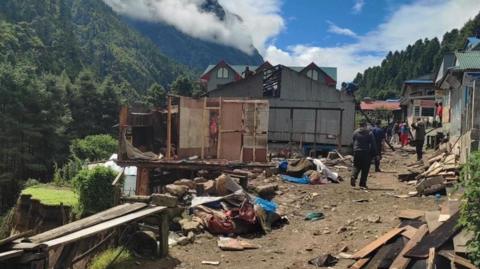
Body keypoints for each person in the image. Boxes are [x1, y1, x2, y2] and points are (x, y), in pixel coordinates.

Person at [351, 120, 377, 189]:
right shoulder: (369, 133)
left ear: (359, 125)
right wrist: (374, 154)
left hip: (356, 151)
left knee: (356, 166)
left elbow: (353, 141)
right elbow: (373, 144)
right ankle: (362, 184)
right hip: (365, 152)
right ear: (365, 126)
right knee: (365, 168)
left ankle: (353, 176)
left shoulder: (355, 132)